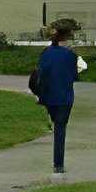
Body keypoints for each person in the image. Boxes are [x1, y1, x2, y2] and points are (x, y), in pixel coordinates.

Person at [29, 21, 82, 175]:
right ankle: (58, 164)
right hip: (64, 97)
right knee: (61, 128)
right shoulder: (70, 55)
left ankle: (58, 163)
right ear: (67, 37)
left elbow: (40, 72)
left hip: (47, 96)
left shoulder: (45, 53)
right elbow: (74, 76)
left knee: (56, 125)